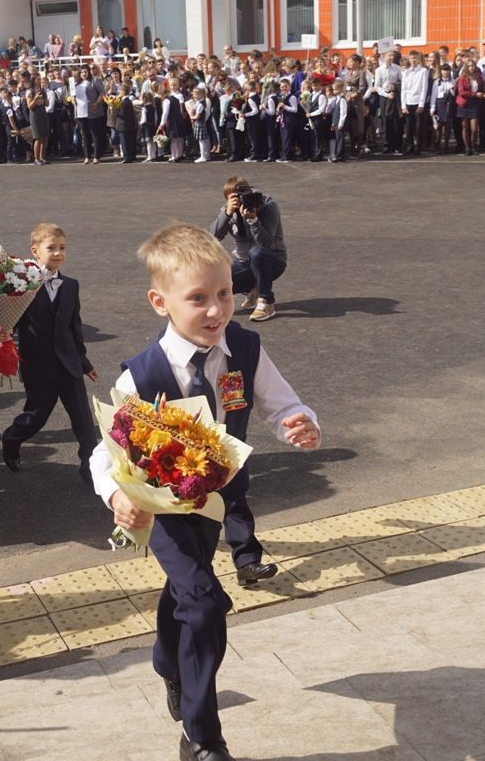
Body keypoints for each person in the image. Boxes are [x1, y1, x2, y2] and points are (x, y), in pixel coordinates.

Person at [90, 224, 320, 761]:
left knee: (183, 596)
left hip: (215, 502)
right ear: (160, 302)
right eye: (198, 299)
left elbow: (280, 403)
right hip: (161, 509)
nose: (217, 310)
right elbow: (105, 452)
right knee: (206, 601)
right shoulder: (140, 376)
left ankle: (170, 665)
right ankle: (201, 739)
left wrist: (299, 421)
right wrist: (115, 496)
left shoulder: (243, 346)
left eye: (225, 294)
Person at [0, 223, 98, 483]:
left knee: (85, 423)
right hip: (39, 365)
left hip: (69, 364)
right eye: (51, 248)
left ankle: (90, 468)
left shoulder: (71, 286)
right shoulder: (23, 286)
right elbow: (12, 320)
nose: (58, 253)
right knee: (36, 416)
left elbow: (74, 328)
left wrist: (84, 363)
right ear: (35, 251)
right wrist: (3, 331)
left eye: (62, 248)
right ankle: (12, 438)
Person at [211, 176, 287, 323]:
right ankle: (252, 287)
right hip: (244, 262)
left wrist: (253, 220)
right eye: (235, 197)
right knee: (213, 282)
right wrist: (226, 214)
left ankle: (266, 302)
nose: (240, 200)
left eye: (243, 195)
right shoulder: (228, 209)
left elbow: (267, 244)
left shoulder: (267, 205)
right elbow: (213, 237)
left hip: (273, 260)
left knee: (257, 253)